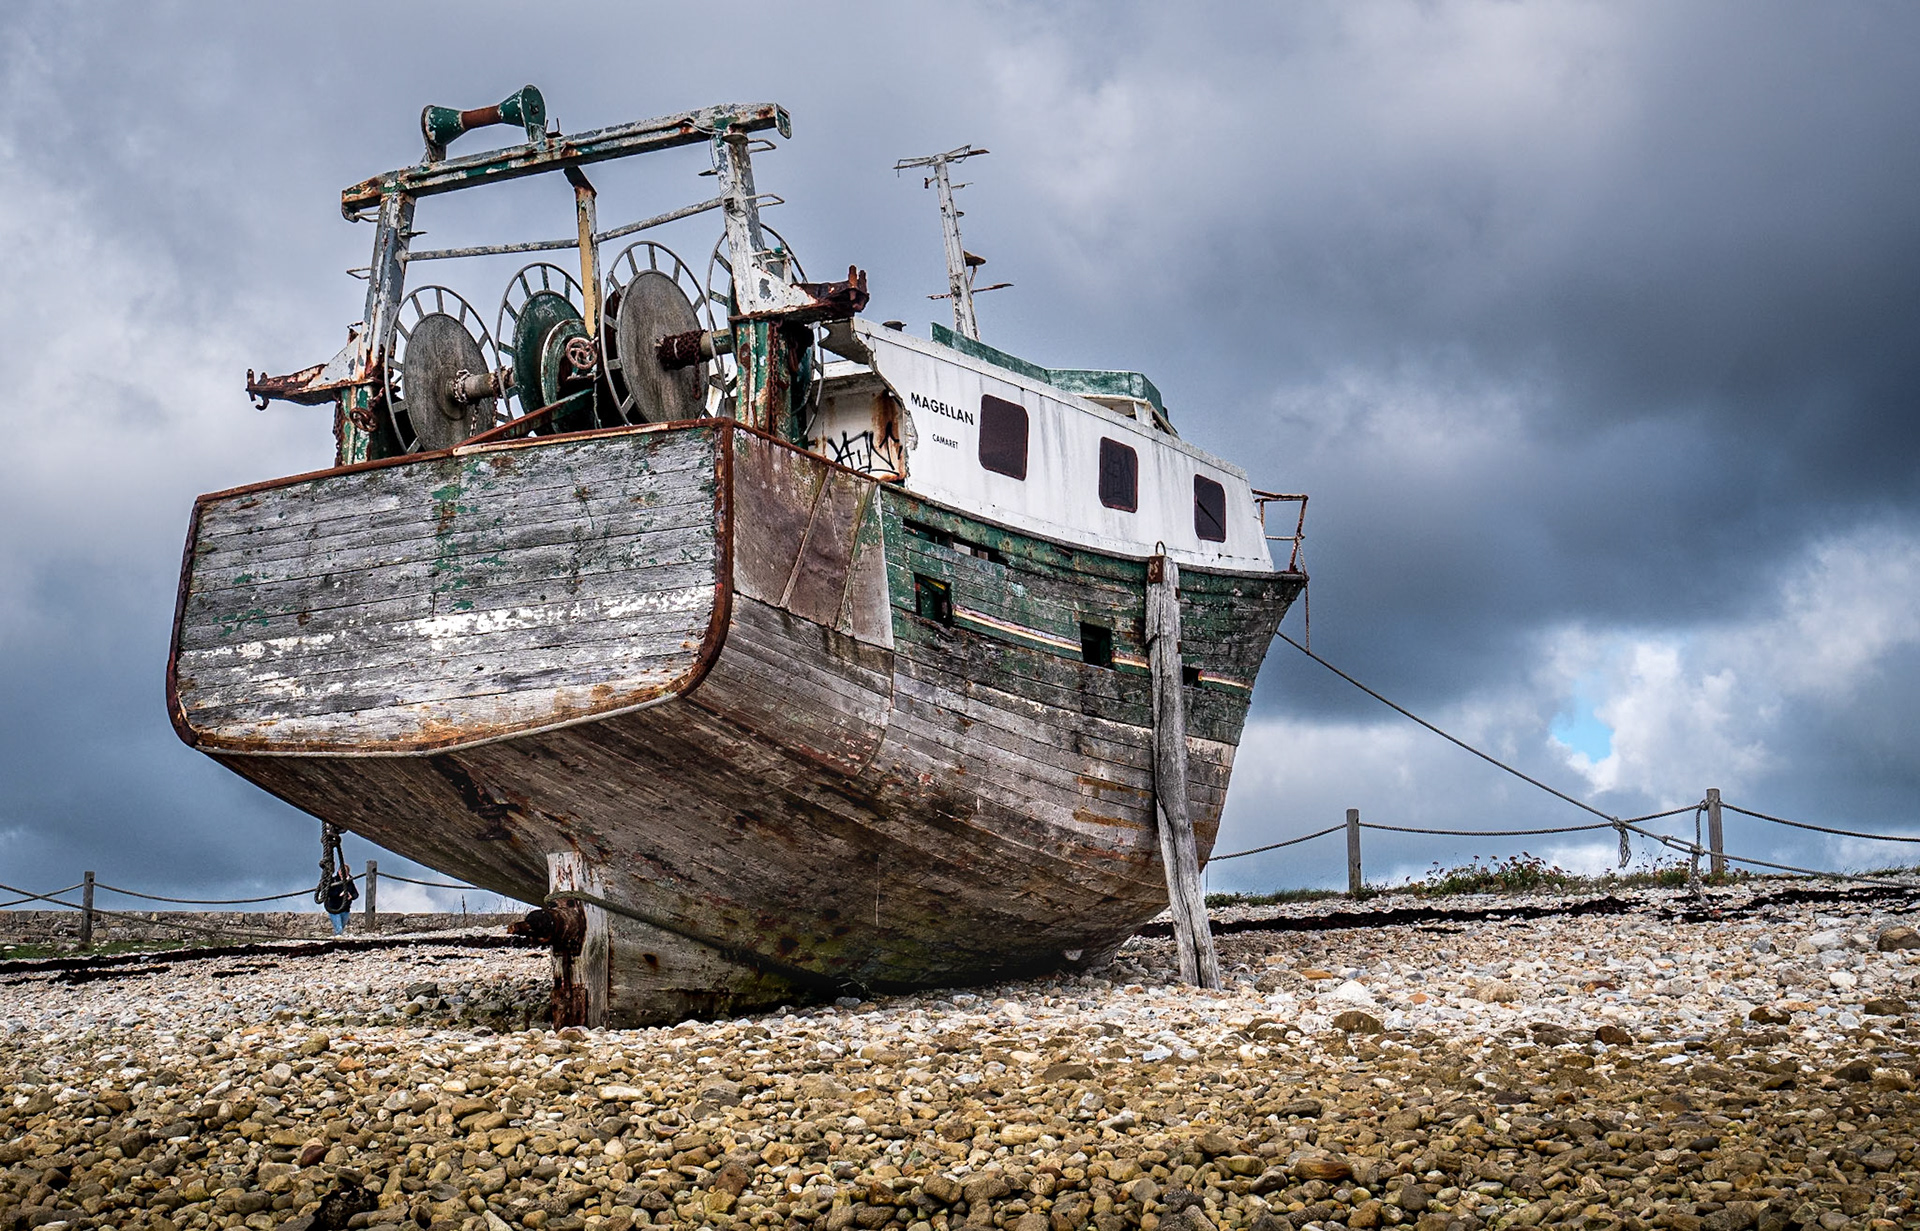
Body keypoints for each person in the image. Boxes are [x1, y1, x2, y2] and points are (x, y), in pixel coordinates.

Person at [322, 865, 359, 935]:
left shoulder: (350, 882)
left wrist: (351, 896)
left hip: (345, 909)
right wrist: (339, 894)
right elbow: (328, 893)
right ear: (338, 871)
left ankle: (336, 939)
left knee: (341, 927)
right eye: (341, 871)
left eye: (345, 872)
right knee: (339, 929)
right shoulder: (333, 880)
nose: (342, 873)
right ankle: (337, 942)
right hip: (334, 909)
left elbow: (356, 894)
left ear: (348, 873)